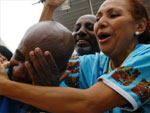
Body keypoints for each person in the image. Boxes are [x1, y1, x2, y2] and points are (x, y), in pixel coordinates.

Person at [0, 0, 150, 112]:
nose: (101, 22)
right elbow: (41, 52)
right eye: (98, 19)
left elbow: (90, 103)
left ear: (140, 26)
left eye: (114, 15)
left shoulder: (147, 56)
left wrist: (4, 85)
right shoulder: (93, 63)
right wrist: (49, 7)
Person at [0, 21, 74, 113]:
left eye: (33, 67)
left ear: (61, 72)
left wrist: (47, 99)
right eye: (18, 57)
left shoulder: (67, 103)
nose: (18, 72)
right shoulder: (2, 76)